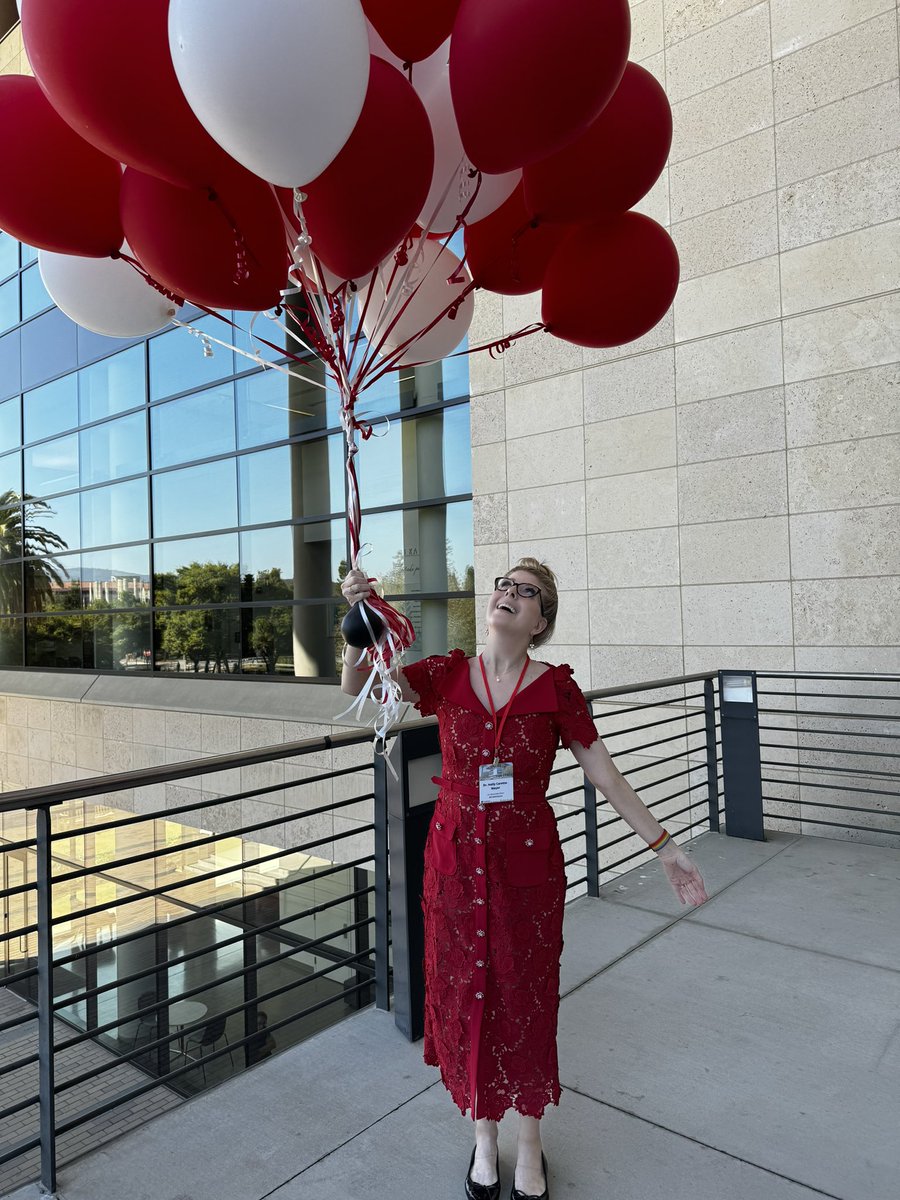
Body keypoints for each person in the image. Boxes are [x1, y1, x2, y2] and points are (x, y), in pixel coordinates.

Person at [341, 557, 708, 1200]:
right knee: (468, 995)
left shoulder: (556, 690)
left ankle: (531, 1142)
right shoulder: (449, 673)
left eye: (527, 592)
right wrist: (360, 621)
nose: (509, 594)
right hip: (454, 868)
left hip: (527, 871)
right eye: (504, 585)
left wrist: (666, 849)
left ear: (541, 621)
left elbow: (605, 773)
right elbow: (360, 688)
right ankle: (485, 1142)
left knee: (526, 1000)